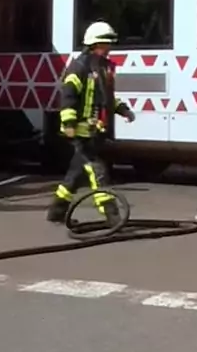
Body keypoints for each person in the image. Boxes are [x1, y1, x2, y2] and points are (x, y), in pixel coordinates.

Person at [45, 21, 135, 226]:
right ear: (95, 44)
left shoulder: (102, 67)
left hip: (94, 131)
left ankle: (56, 212)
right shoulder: (80, 67)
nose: (109, 48)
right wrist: (69, 123)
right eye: (106, 44)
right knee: (98, 171)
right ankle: (112, 218)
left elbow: (106, 97)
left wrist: (122, 110)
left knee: (76, 174)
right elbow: (68, 95)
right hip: (81, 131)